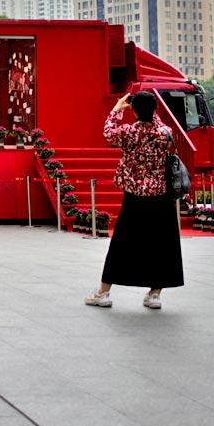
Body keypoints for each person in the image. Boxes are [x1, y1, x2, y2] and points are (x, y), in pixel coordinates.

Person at [85, 91, 184, 310]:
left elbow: (108, 133)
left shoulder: (129, 133)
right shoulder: (164, 132)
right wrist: (150, 112)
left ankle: (103, 292)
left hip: (135, 195)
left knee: (122, 242)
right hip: (161, 196)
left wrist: (117, 110)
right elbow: (156, 121)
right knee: (162, 244)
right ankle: (155, 294)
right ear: (155, 110)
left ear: (135, 111)